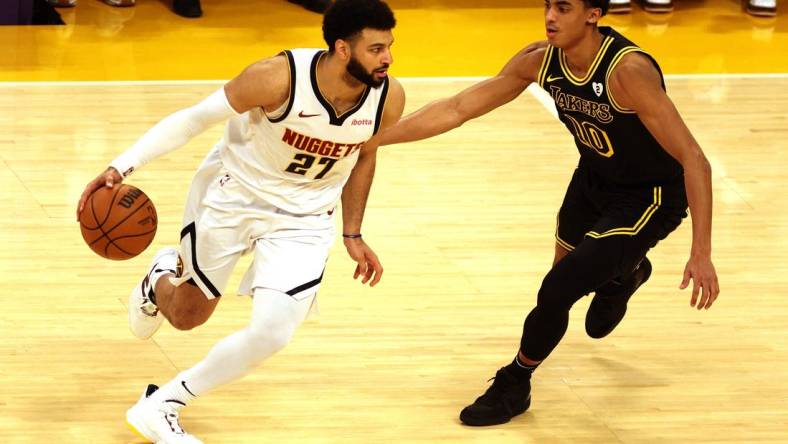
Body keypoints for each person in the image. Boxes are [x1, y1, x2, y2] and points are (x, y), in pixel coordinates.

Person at [380, 0, 719, 427]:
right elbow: (457, 108)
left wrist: (701, 253)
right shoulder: (538, 60)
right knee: (561, 279)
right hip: (592, 179)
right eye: (547, 6)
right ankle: (623, 275)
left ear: (593, 14)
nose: (550, 17)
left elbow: (694, 160)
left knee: (558, 288)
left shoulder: (626, 72)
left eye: (563, 7)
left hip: (647, 196)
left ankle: (514, 382)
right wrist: (375, 140)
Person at [76, 0, 403, 441]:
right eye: (376, 49)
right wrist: (122, 166)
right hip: (233, 196)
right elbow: (194, 120)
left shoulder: (388, 96)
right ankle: (159, 281)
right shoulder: (276, 77)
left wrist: (353, 231)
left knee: (274, 331)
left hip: (304, 216)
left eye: (389, 47)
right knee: (189, 317)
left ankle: (163, 404)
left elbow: (365, 154)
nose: (387, 59)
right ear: (342, 49)